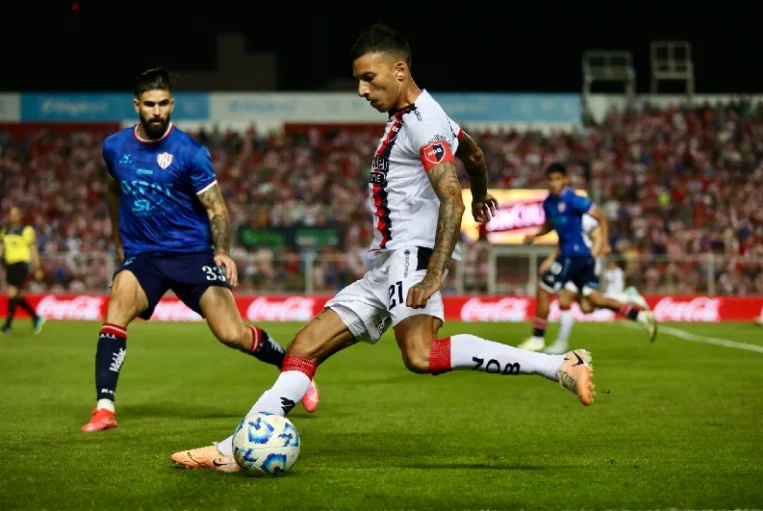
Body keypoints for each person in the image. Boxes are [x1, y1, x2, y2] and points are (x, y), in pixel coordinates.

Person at [171, 24, 596, 472]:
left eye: (368, 78)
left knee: (420, 355)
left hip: (412, 258)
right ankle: (234, 448)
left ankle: (558, 365)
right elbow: (473, 154)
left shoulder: (423, 122)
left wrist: (433, 274)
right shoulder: (424, 117)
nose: (361, 89)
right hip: (386, 264)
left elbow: (452, 195)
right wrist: (485, 191)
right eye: (358, 79)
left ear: (399, 69)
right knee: (303, 348)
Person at [80, 68, 318, 433]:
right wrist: (118, 241)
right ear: (137, 106)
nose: (157, 111)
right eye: (149, 105)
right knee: (116, 309)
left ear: (171, 104)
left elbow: (217, 208)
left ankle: (292, 365)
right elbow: (115, 192)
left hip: (192, 254)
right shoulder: (114, 147)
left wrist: (221, 250)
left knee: (231, 334)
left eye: (163, 104)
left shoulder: (190, 152)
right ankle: (104, 408)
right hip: (144, 255)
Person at [522, 164, 657, 349]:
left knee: (545, 291)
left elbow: (601, 218)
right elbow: (551, 225)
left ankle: (538, 338)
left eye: (558, 179)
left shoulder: (575, 200)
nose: (554, 183)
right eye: (551, 179)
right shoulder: (548, 203)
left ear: (565, 180)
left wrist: (604, 244)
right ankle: (639, 315)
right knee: (591, 303)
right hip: (580, 258)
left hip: (575, 255)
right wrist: (536, 236)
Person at [520, 215, 651, 354]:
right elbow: (563, 243)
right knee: (587, 307)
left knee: (564, 299)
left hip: (584, 264)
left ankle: (559, 342)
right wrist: (551, 259)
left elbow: (598, 235)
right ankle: (625, 298)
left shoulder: (585, 218)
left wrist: (590, 260)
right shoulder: (568, 220)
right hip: (575, 263)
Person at [0, 207, 45, 335]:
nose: (12, 217)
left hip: (21, 264)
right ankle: (36, 317)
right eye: (10, 214)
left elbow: (34, 250)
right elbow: (2, 248)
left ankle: (7, 325)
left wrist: (37, 268)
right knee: (15, 295)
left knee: (12, 293)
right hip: (9, 265)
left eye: (15, 214)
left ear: (20, 216)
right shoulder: (5, 231)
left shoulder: (26, 230)